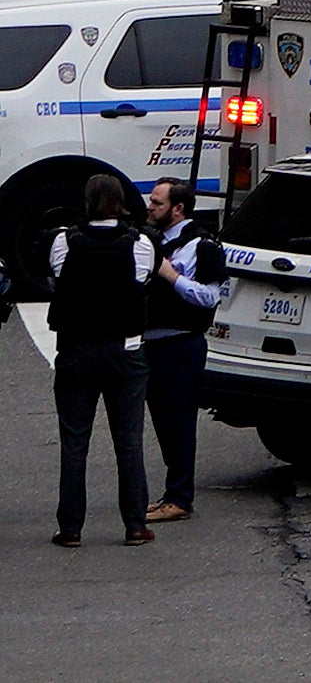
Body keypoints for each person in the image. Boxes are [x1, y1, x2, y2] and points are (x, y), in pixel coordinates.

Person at [44, 179, 149, 545]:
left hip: (76, 350)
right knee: (129, 441)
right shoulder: (139, 243)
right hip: (125, 350)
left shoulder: (64, 242)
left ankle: (70, 528)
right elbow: (141, 285)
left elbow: (59, 280)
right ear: (120, 203)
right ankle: (135, 525)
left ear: (87, 202)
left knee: (74, 442)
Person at [132, 179, 209, 525]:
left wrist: (170, 276)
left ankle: (180, 497)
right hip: (152, 344)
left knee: (179, 423)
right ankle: (172, 493)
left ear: (178, 208)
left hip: (181, 343)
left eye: (158, 203)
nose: (150, 208)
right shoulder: (152, 240)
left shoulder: (201, 245)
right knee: (163, 422)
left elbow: (209, 296)